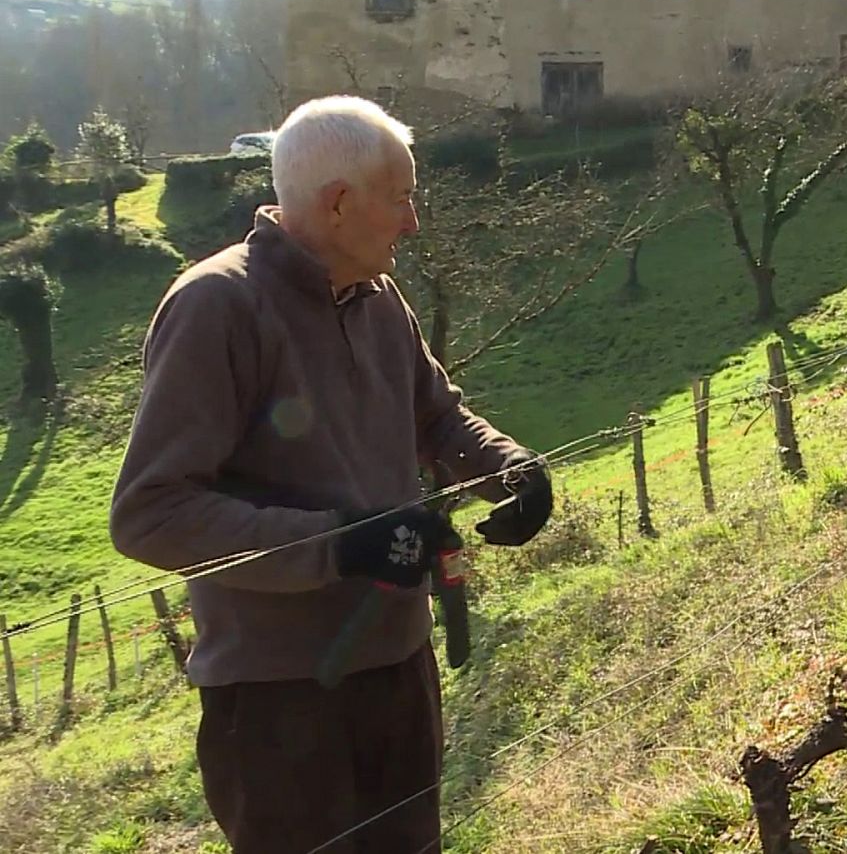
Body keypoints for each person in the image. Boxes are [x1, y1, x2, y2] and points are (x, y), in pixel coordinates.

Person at [109, 96, 555, 853]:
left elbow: (438, 418)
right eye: (402, 198)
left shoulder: (379, 297)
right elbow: (151, 513)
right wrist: (342, 544)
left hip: (398, 669)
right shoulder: (218, 305)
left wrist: (510, 467)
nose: (414, 222)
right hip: (280, 699)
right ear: (341, 203)